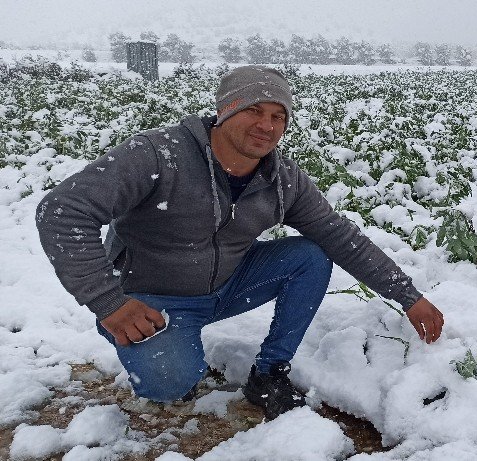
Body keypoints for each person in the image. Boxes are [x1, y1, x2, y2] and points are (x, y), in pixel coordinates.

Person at [35, 65, 444, 420]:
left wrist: (408, 296)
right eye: (254, 110)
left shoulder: (282, 178)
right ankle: (172, 351)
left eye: (278, 116)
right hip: (151, 301)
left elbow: (339, 236)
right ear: (225, 111)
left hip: (228, 285)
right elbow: (61, 211)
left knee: (311, 254)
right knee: (169, 386)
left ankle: (268, 373)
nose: (266, 125)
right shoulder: (158, 155)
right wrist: (110, 303)